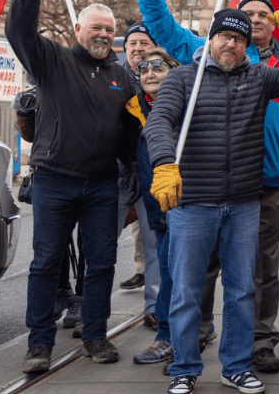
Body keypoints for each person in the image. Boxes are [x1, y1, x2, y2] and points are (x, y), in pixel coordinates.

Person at [136, 0, 279, 372]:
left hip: (255, 189)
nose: (239, 37)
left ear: (269, 27)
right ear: (213, 38)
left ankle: (249, 352)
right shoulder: (192, 69)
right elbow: (160, 114)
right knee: (192, 280)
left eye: (257, 20)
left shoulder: (268, 73)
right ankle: (190, 350)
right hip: (197, 194)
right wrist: (164, 163)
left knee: (251, 280)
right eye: (232, 30)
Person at [7, 0, 141, 373]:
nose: (103, 35)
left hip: (103, 185)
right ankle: (39, 344)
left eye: (109, 30)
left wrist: (135, 167)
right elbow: (19, 32)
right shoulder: (51, 60)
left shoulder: (122, 76)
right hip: (54, 181)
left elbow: (133, 128)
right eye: (96, 28)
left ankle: (95, 336)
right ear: (79, 28)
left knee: (100, 263)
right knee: (46, 262)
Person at [118, 22, 161, 331]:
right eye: (132, 43)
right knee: (100, 245)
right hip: (117, 174)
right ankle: (87, 311)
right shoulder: (114, 78)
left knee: (154, 243)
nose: (137, 48)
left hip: (151, 174)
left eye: (143, 42)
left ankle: (155, 307)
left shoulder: (166, 79)